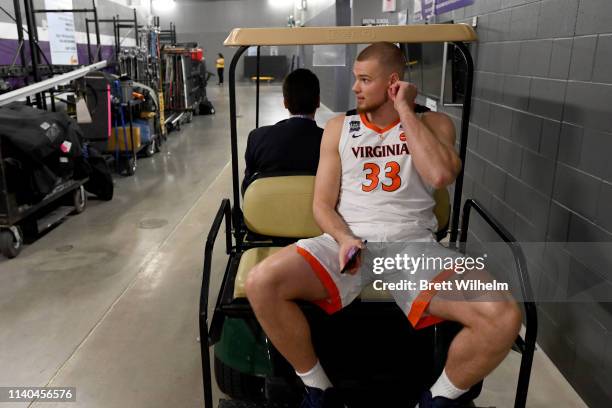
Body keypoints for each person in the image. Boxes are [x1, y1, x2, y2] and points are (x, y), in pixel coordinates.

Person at [245, 42, 522, 408]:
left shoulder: (433, 123)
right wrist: (344, 237)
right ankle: (318, 390)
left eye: (364, 80)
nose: (355, 88)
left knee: (503, 315)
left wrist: (405, 110)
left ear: (393, 82)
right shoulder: (339, 127)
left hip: (412, 246)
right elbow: (321, 205)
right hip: (347, 241)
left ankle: (437, 400)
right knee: (261, 282)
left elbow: (440, 175)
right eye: (355, 79)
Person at [243, 68, 323, 193]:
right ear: (318, 102)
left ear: (285, 102)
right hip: (315, 211)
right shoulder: (330, 141)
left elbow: (247, 188)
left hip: (267, 210)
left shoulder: (257, 137)